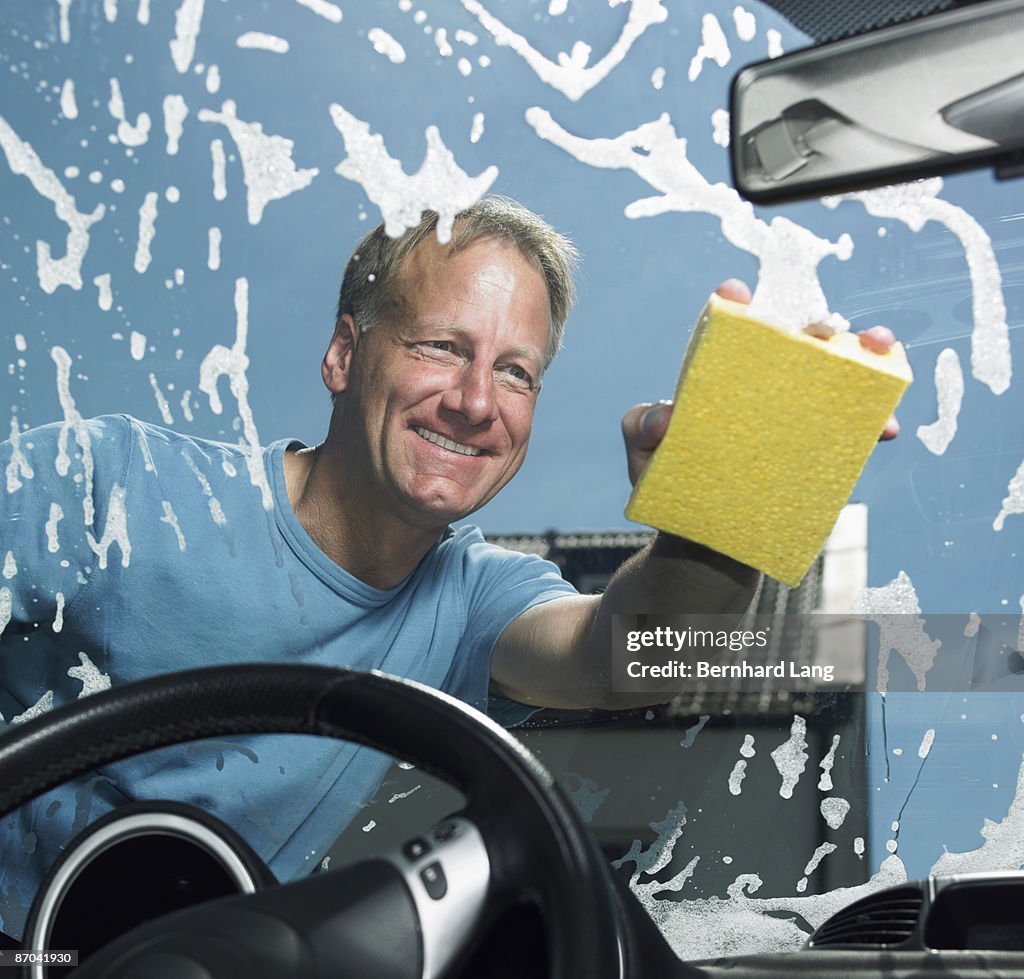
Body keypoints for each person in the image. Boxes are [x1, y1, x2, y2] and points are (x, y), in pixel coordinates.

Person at [0, 195, 894, 936]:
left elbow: (622, 653)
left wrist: (723, 510)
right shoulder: (111, 486)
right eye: (441, 346)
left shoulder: (470, 598)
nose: (474, 402)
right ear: (345, 353)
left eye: (515, 372)